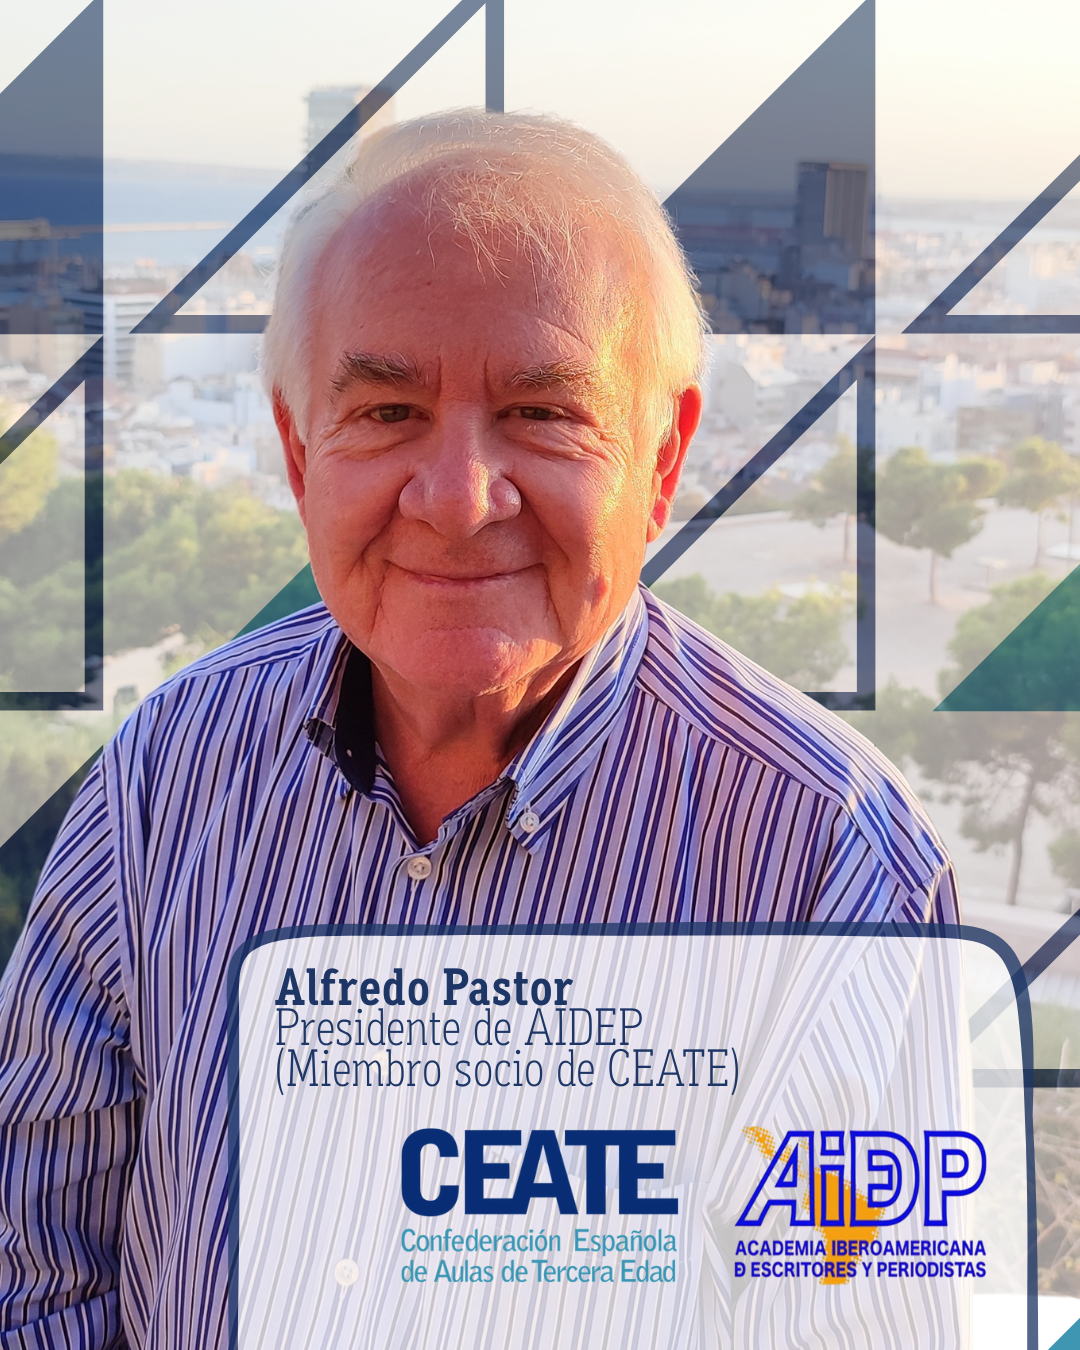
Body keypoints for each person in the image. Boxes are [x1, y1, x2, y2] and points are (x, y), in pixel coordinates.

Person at [0, 111, 957, 1348]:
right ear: (300, 455)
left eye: (544, 413)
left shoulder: (836, 872)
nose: (456, 501)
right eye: (387, 410)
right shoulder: (166, 776)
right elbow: (34, 1266)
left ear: (662, 462)